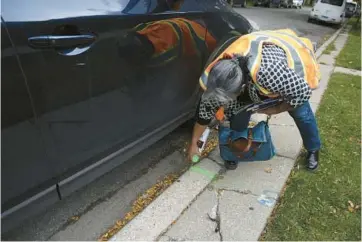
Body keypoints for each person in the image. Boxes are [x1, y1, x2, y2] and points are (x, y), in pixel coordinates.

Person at [188, 29, 321, 171]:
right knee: (237, 118)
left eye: (226, 100)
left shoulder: (270, 73)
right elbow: (205, 113)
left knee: (302, 114)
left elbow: (303, 93)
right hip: (251, 87)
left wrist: (275, 109)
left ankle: (313, 149)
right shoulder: (217, 77)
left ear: (242, 87)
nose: (223, 104)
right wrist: (194, 143)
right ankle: (236, 152)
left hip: (287, 78)